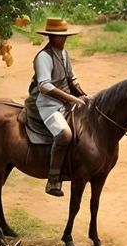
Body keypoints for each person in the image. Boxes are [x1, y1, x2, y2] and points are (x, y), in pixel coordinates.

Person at [29, 18, 87, 197]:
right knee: (65, 134)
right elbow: (44, 86)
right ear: (51, 37)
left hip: (67, 103)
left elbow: (72, 78)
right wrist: (71, 98)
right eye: (60, 37)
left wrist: (83, 94)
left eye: (65, 37)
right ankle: (53, 179)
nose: (63, 40)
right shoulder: (43, 57)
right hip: (49, 105)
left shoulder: (64, 54)